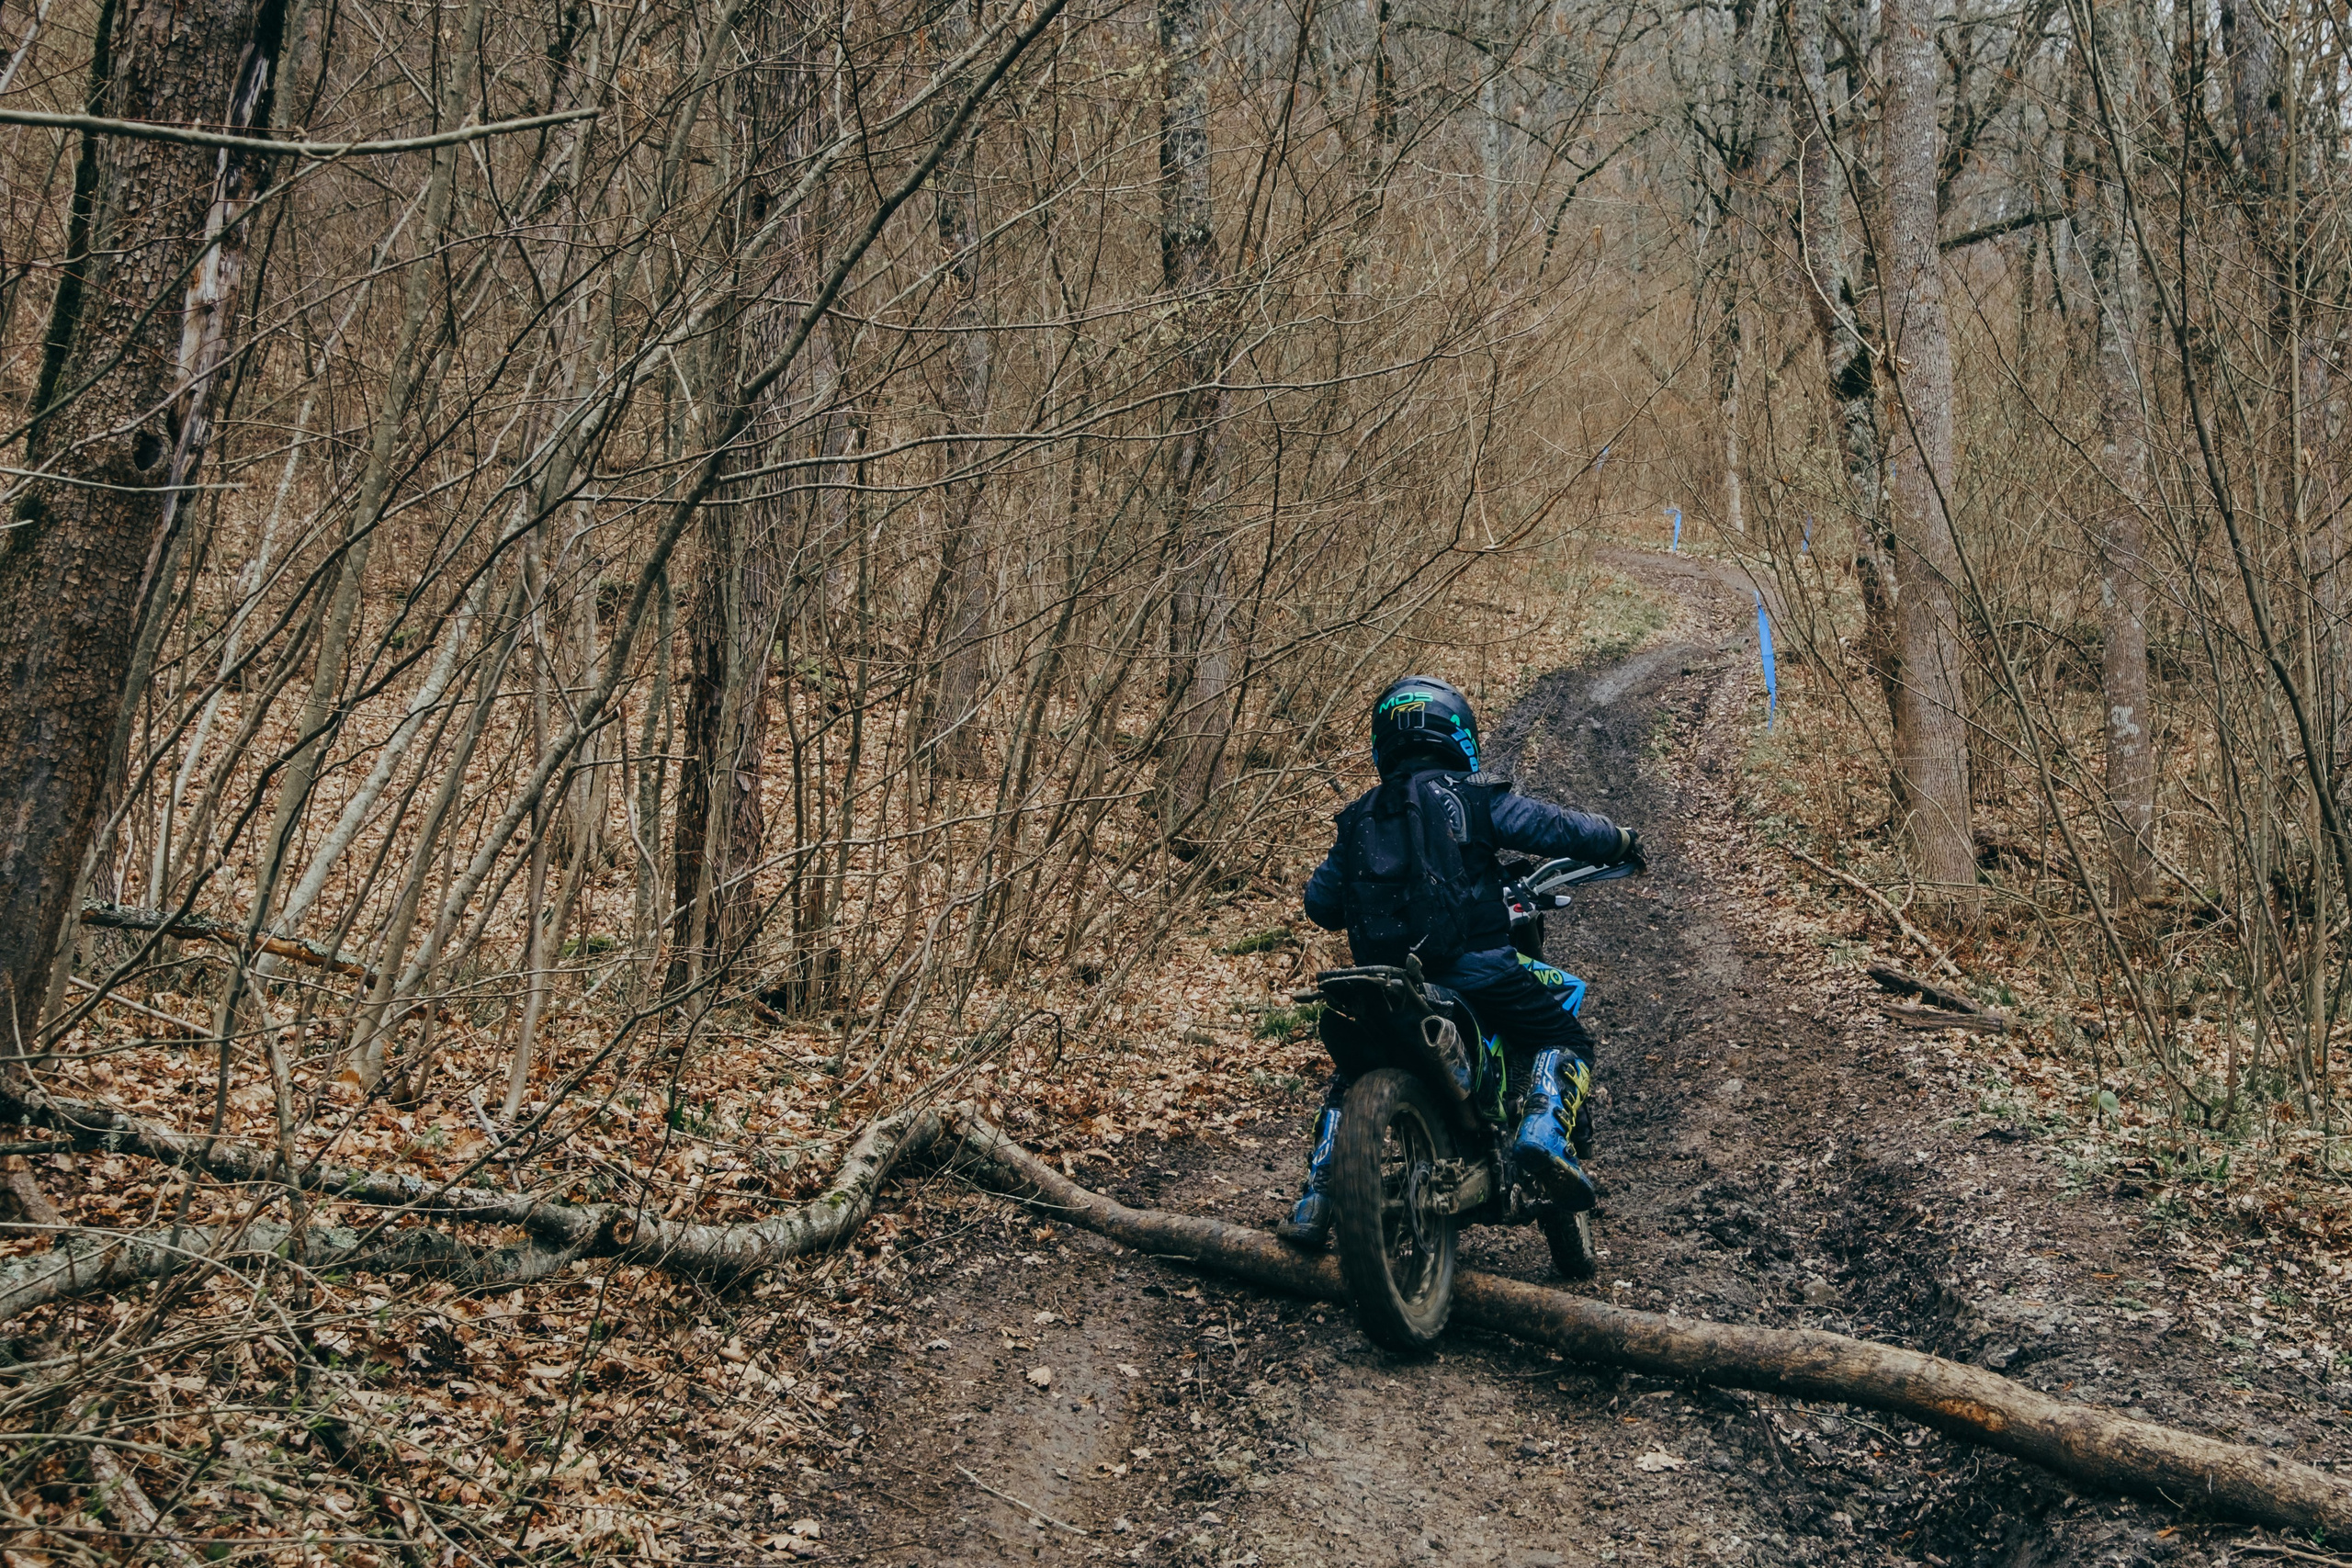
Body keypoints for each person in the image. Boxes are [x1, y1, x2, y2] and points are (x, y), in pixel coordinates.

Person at [1277, 675, 1644, 1249]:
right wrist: (1618, 839)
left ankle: (1315, 1198)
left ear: (1384, 742)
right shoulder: (1472, 797)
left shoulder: (1359, 816)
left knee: (1348, 1079)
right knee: (1566, 1038)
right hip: (1475, 972)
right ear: (1456, 733)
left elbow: (1320, 905)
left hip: (1386, 985)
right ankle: (1543, 1136)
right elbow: (1555, 827)